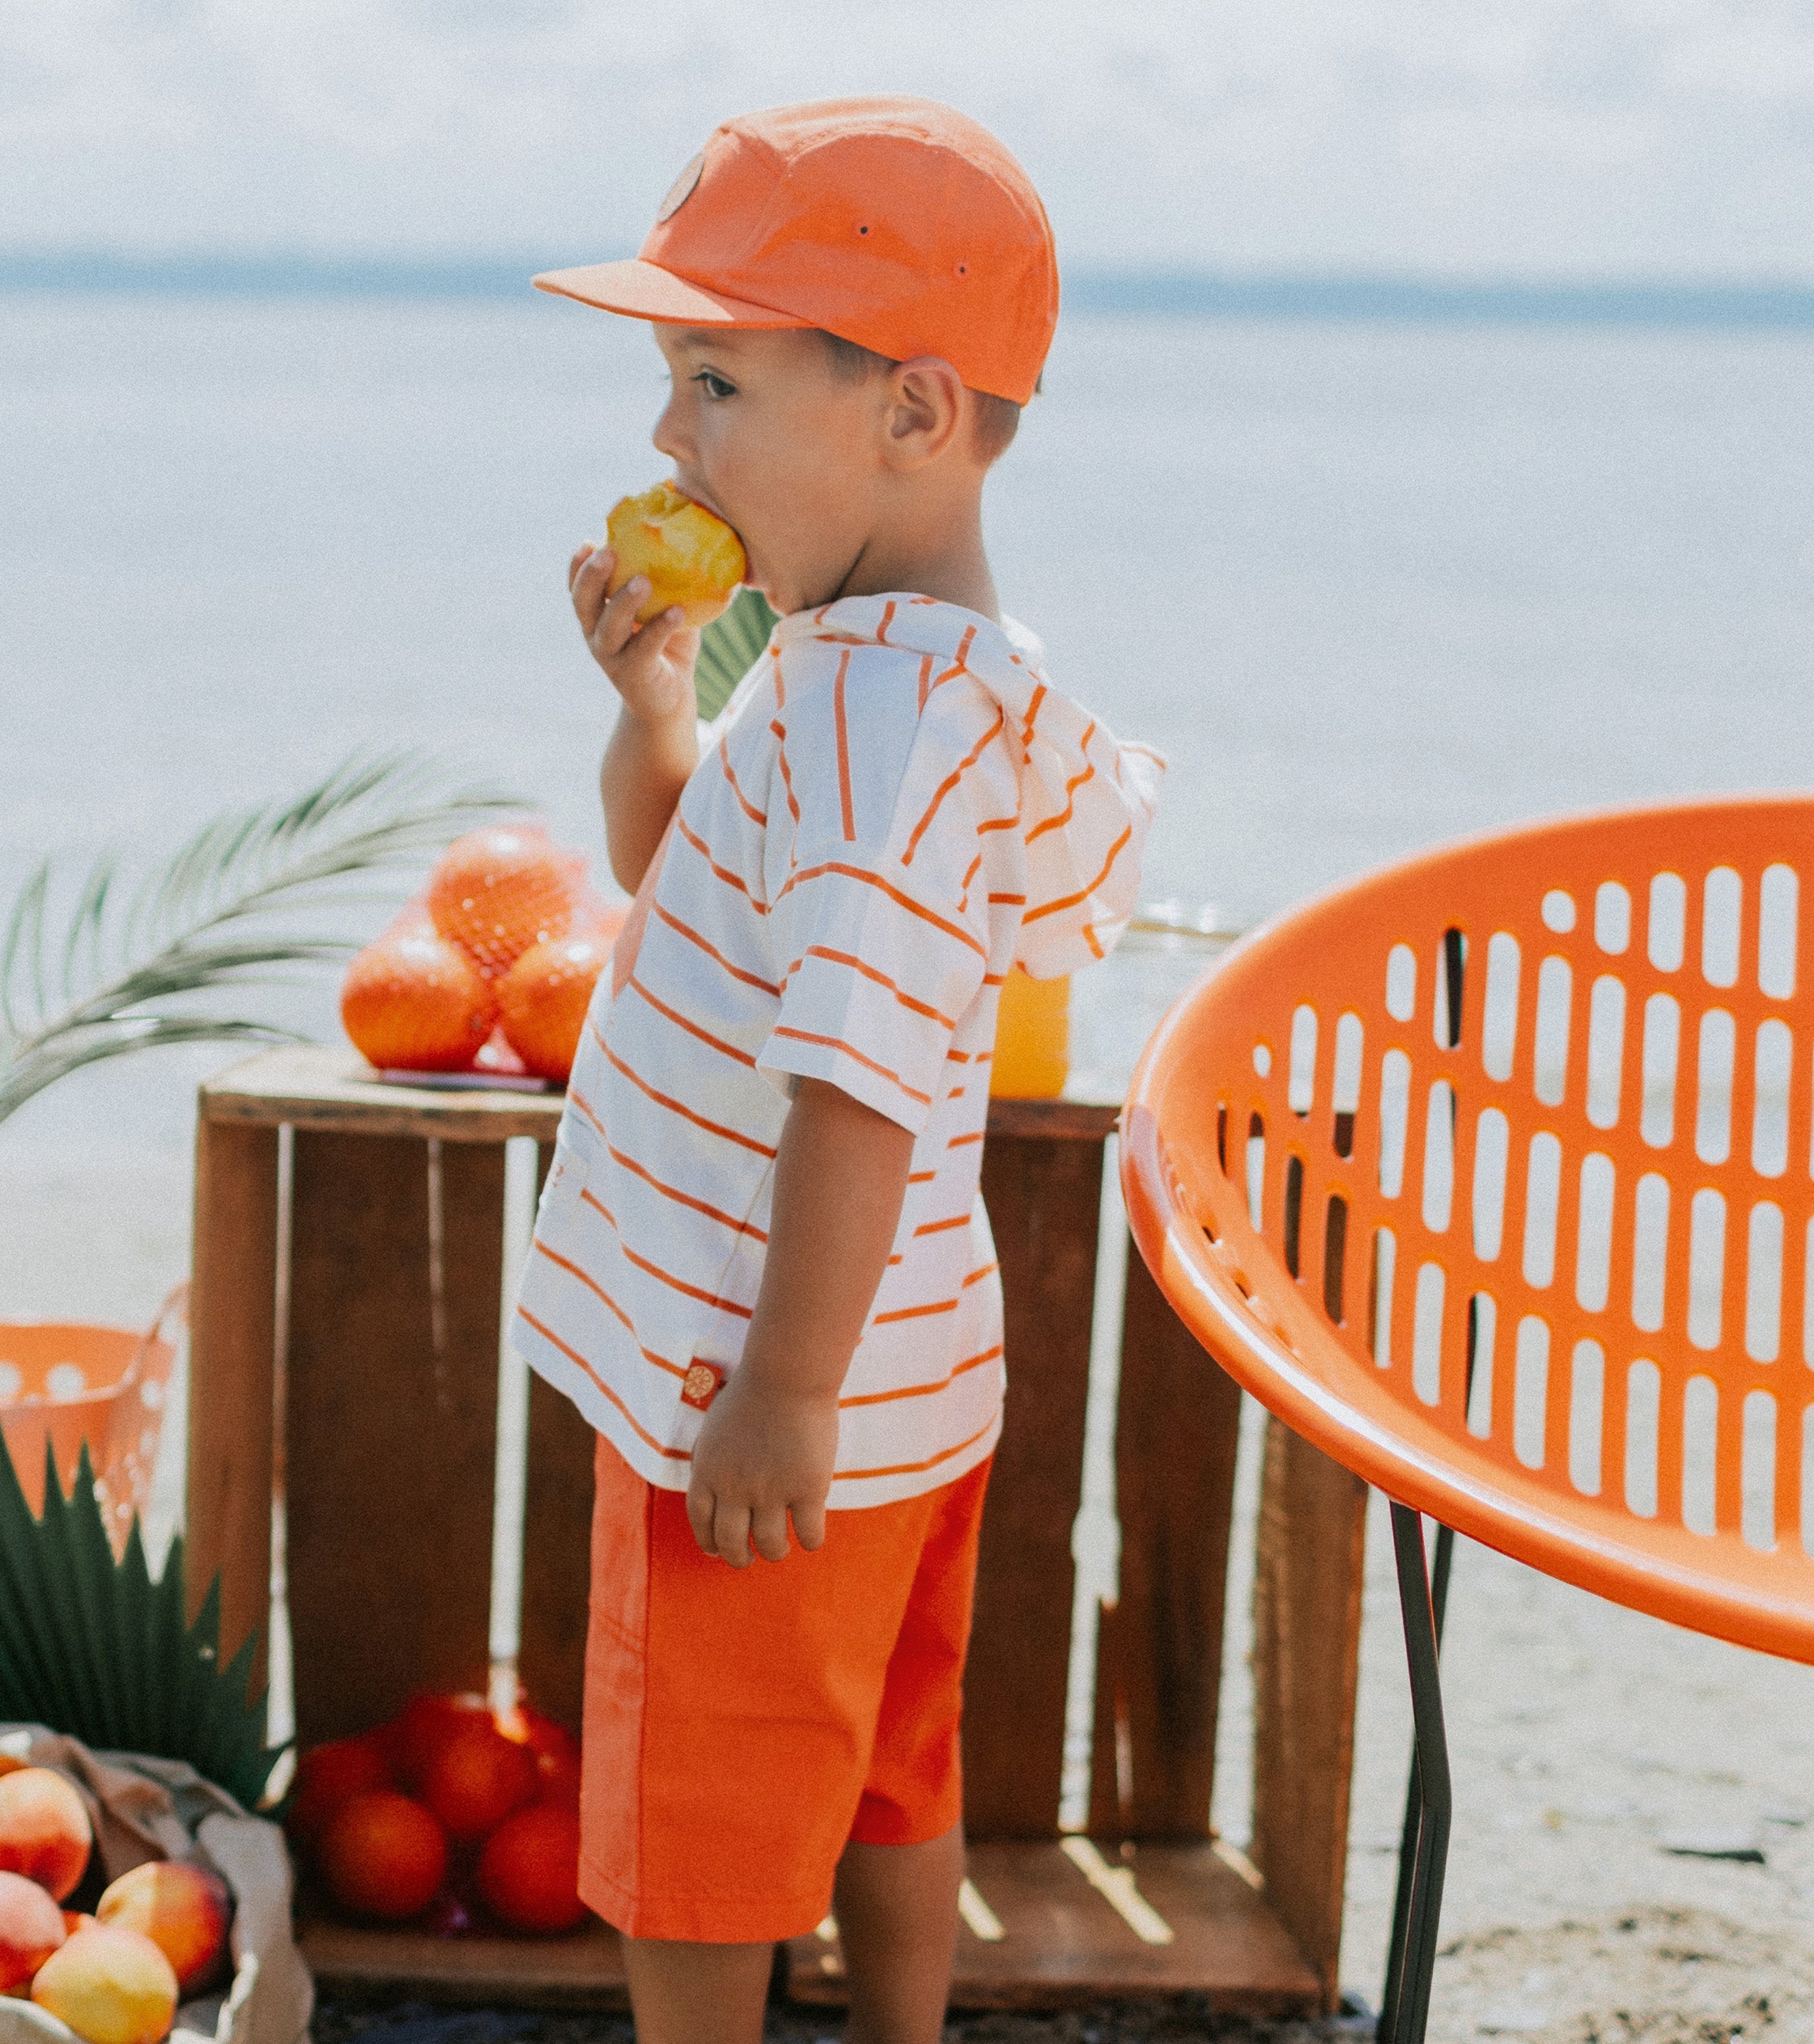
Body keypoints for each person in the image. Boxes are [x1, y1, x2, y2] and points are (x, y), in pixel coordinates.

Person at [513, 96, 1163, 2044]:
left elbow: (859, 1082)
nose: (663, 437)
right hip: (910, 1378)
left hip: (757, 1363)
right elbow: (672, 856)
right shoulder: (910, 672)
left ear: (913, 413)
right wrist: (652, 691)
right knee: (889, 1746)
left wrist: (774, 1392)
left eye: (712, 381)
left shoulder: (876, 724)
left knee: (693, 1813)